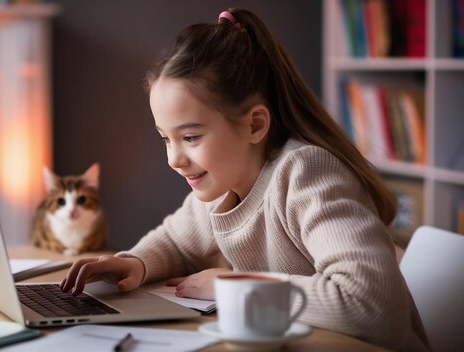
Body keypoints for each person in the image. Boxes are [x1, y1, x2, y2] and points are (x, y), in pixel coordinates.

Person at [60, 8, 428, 351]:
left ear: (254, 125)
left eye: (190, 137)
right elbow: (176, 241)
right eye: (165, 138)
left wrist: (233, 288)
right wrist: (135, 264)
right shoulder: (223, 186)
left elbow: (372, 307)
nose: (174, 159)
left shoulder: (305, 173)